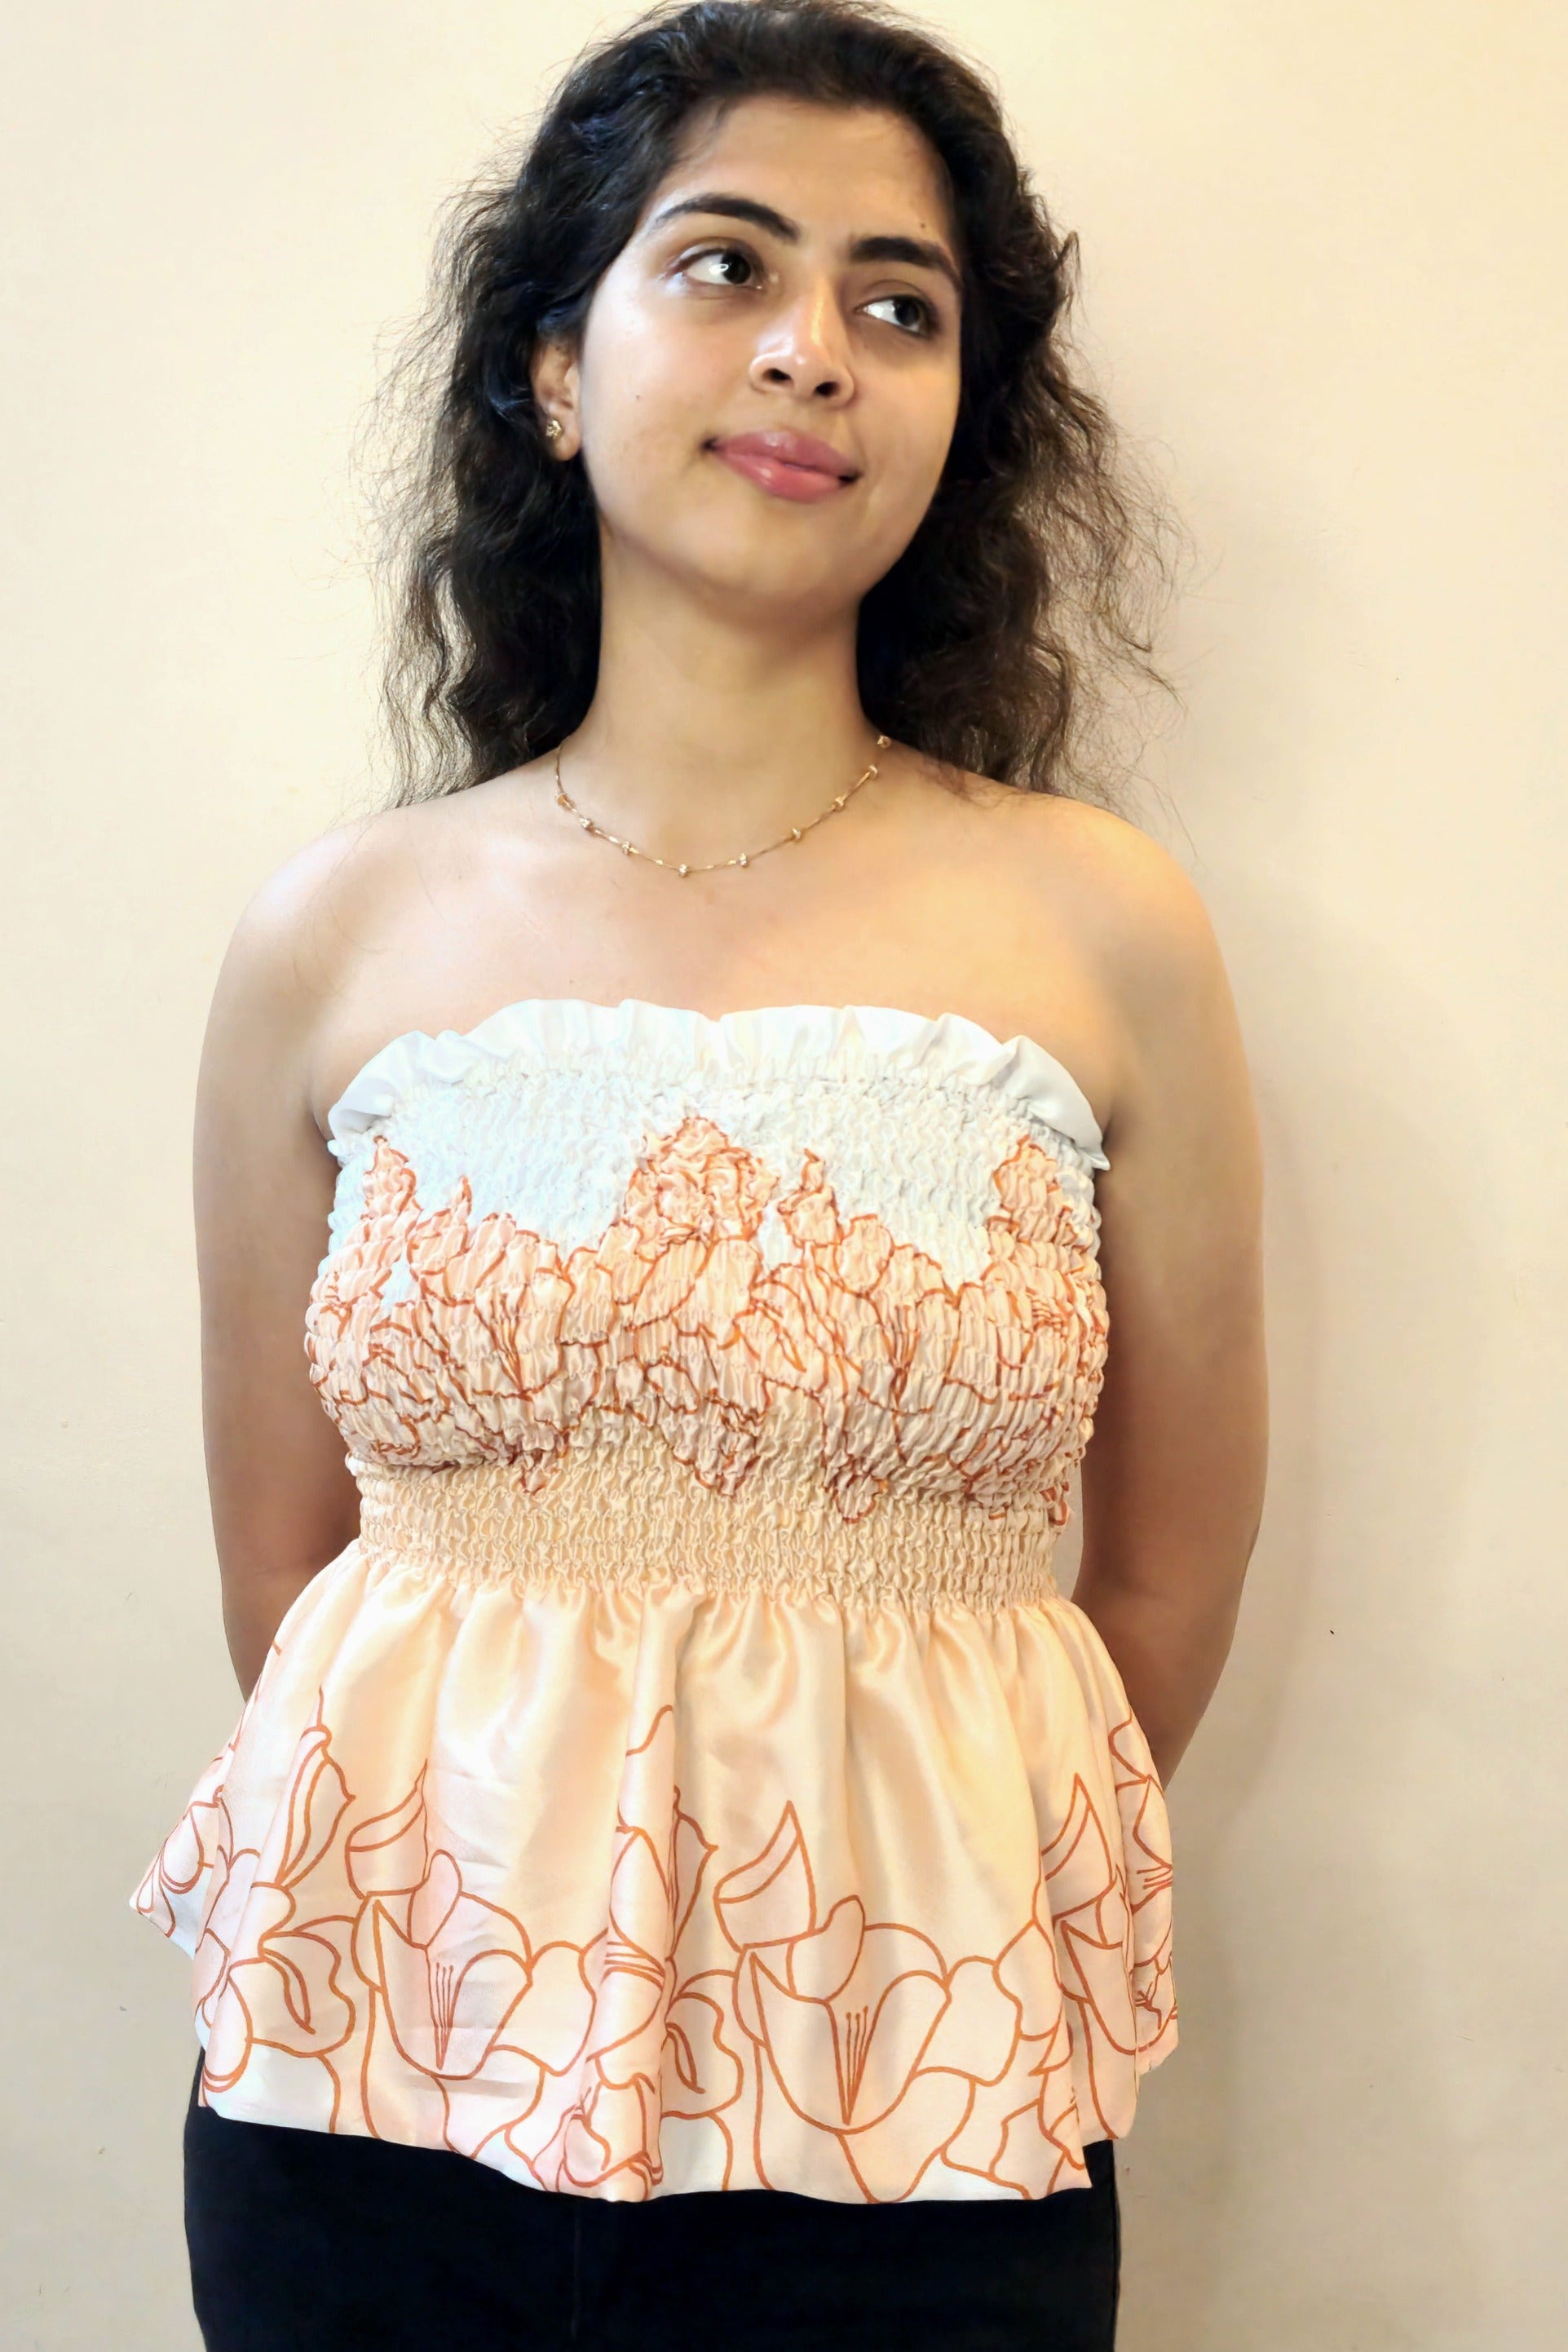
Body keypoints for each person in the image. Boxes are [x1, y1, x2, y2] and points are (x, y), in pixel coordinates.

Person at [132, 2, 1266, 2344]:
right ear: (556, 369)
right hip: (379, 2084)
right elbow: (283, 1569)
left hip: (918, 2096)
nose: (814, 352)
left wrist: (889, 1878)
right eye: (725, 263)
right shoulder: (332, 934)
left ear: (959, 417)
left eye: (898, 305)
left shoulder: (1103, 927)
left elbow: (1162, 1581)